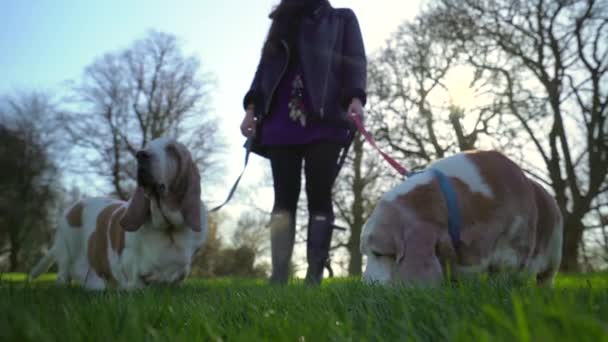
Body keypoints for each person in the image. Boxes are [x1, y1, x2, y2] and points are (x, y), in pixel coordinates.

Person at [240, 0, 366, 286]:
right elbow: (264, 70)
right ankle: (279, 278)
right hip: (279, 122)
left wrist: (356, 98)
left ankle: (313, 278)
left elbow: (355, 61)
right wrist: (251, 109)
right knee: (283, 199)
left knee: (319, 195)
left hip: (324, 119)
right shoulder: (281, 22)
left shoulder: (341, 19)